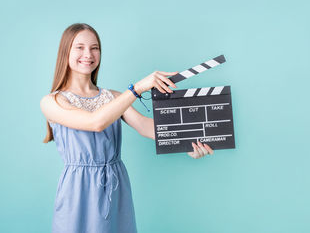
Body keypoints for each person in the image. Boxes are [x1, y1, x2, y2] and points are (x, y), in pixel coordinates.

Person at [40, 23, 214, 233]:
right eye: (80, 47)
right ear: (65, 51)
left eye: (95, 48)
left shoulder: (112, 97)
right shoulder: (52, 101)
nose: (88, 54)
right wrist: (137, 88)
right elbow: (95, 123)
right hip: (78, 189)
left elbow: (146, 126)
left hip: (115, 186)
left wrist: (189, 143)